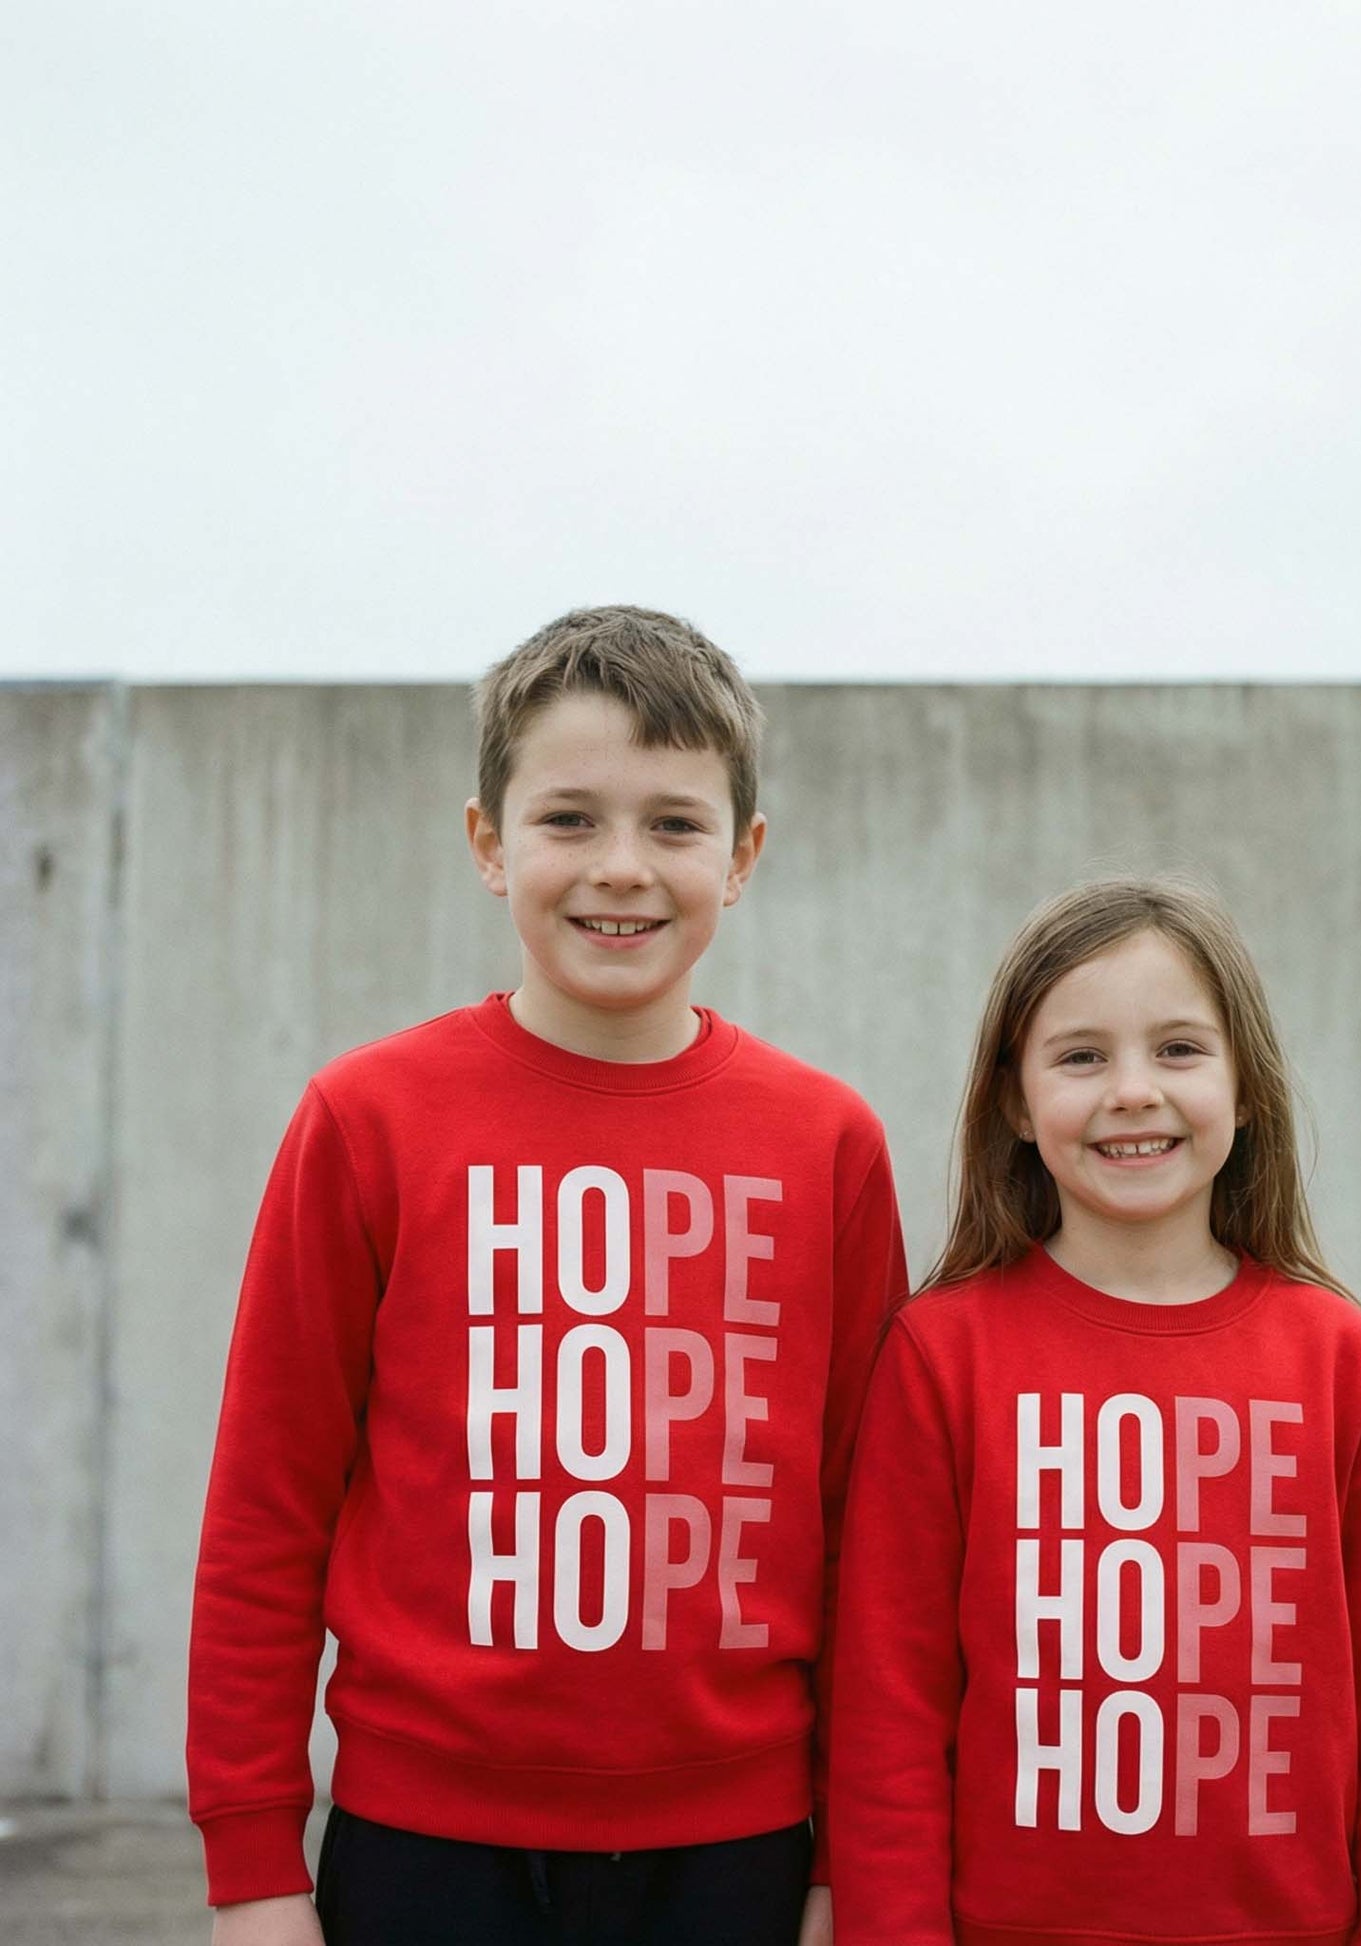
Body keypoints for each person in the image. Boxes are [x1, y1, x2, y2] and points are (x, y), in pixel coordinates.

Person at [188, 606, 906, 1946]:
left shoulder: (828, 1145)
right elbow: (265, 1507)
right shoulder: (367, 1119)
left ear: (743, 856)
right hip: (424, 1848)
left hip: (738, 1849)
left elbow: (871, 1537)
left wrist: (844, 1863)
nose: (620, 868)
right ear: (485, 840)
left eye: (675, 824)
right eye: (569, 818)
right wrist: (254, 1868)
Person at [830, 878, 1361, 1945]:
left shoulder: (1334, 1356)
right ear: (1015, 1104)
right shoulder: (941, 1354)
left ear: (1246, 1087)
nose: (1132, 1090)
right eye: (1080, 1056)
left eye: (1178, 1049)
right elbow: (889, 1710)